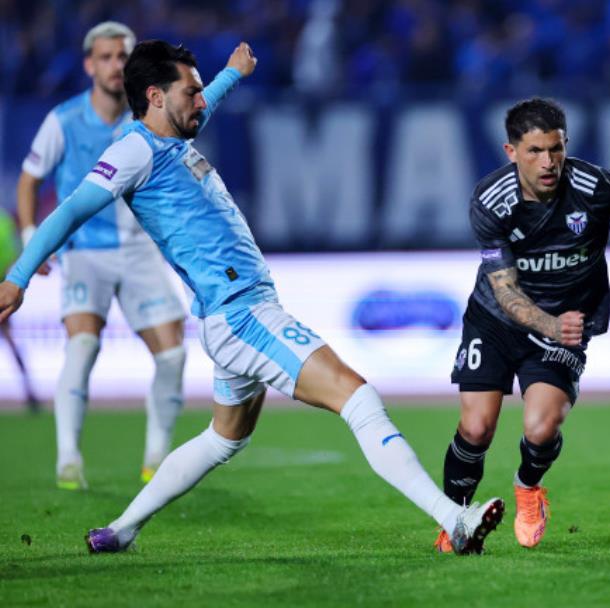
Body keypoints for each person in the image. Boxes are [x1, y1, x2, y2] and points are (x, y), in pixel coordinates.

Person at [0, 39, 503, 555]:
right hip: (241, 313)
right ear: (155, 96)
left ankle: (121, 530)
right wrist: (18, 277)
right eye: (191, 92)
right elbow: (71, 210)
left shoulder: (172, 135)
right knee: (359, 399)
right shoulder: (133, 151)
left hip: (234, 312)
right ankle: (454, 519)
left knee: (224, 438)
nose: (201, 101)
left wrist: (231, 74)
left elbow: (206, 102)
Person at [435, 98, 610, 552]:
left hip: (568, 318)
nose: (548, 162)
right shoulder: (491, 201)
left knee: (541, 428)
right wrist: (550, 325)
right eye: (535, 151)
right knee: (476, 429)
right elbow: (505, 291)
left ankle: (528, 488)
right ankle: (454, 519)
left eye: (556, 149)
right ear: (511, 152)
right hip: (496, 320)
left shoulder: (595, 187)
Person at [16, 22, 187, 490]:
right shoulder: (65, 120)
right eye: (106, 57)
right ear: (90, 65)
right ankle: (68, 460)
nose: (116, 65)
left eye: (123, 57)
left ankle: (156, 460)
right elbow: (29, 180)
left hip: (139, 250)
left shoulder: (150, 118)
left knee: (173, 355)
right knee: (83, 345)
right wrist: (32, 236)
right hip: (85, 252)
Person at [0, 208, 40, 413]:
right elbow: (13, 256)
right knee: (11, 342)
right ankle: (29, 391)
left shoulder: (4, 222)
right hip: (2, 287)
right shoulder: (5, 221)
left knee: (11, 342)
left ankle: (29, 391)